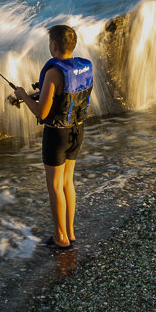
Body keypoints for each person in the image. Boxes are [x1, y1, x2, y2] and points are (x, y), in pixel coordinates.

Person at [10, 25, 93, 248]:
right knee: (68, 182)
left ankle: (60, 237)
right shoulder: (82, 68)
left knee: (55, 186)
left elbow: (41, 112)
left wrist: (21, 95)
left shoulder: (53, 72)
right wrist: (32, 95)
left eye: (49, 44)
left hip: (57, 136)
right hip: (77, 131)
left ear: (53, 46)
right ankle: (70, 232)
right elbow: (63, 97)